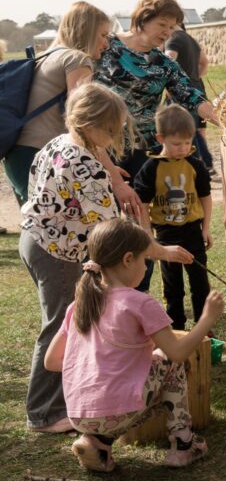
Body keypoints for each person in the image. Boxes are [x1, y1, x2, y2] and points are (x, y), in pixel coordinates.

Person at [19, 83, 193, 434]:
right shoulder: (85, 165)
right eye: (110, 129)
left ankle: (72, 397)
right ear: (87, 122)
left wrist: (112, 174)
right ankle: (43, 413)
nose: (114, 137)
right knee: (58, 325)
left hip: (34, 238)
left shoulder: (61, 141)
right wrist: (160, 250)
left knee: (66, 323)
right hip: (56, 252)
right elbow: (114, 232)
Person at [44, 218, 223, 471]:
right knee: (169, 362)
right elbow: (178, 351)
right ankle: (184, 445)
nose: (145, 266)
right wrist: (207, 319)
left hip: (77, 414)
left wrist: (99, 364)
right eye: (145, 260)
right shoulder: (139, 302)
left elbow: (51, 361)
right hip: (116, 410)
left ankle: (98, 444)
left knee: (136, 380)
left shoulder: (79, 305)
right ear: (129, 260)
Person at [5, 2, 142, 218]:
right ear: (85, 31)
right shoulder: (77, 60)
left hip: (19, 157)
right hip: (44, 157)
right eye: (103, 35)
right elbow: (86, 125)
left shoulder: (47, 56)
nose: (106, 43)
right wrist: (117, 183)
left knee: (41, 232)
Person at [94, 0, 217, 181]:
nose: (167, 32)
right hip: (102, 146)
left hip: (143, 151)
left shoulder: (164, 64)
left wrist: (221, 117)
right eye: (161, 24)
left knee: (141, 208)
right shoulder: (107, 46)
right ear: (143, 19)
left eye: (171, 27)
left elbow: (190, 94)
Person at [133, 105, 212, 331]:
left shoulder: (195, 164)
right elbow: (142, 205)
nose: (183, 148)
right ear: (161, 138)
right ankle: (176, 326)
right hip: (166, 235)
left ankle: (203, 327)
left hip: (192, 231)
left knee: (200, 282)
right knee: (172, 286)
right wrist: (149, 237)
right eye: (177, 144)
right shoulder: (151, 168)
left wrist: (205, 229)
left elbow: (206, 197)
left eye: (188, 142)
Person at [164, 24, 215, 174]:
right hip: (196, 88)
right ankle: (206, 165)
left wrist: (169, 84)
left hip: (181, 92)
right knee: (193, 131)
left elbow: (168, 62)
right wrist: (195, 78)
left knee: (184, 132)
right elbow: (204, 62)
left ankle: (196, 170)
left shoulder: (173, 39)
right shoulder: (191, 40)